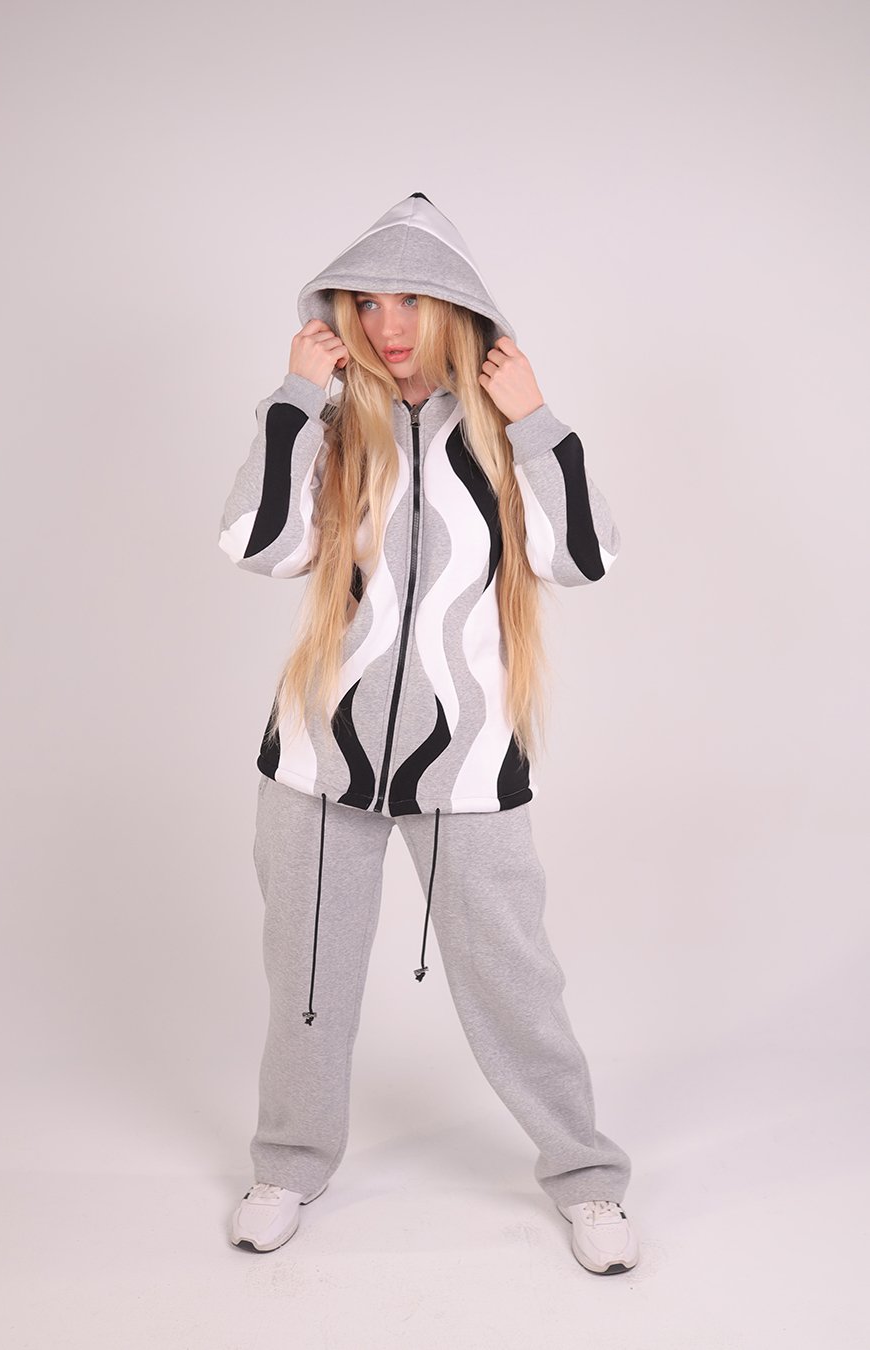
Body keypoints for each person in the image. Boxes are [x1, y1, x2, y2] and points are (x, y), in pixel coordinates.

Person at [218, 191, 639, 1275]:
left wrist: (537, 418)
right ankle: (288, 1165)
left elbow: (585, 557)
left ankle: (587, 1177)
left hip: (471, 766)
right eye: (366, 302)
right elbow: (259, 545)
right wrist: (293, 399)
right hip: (317, 761)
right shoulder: (331, 426)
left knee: (516, 985)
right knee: (307, 981)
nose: (388, 323)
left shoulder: (500, 434)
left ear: (455, 307)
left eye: (410, 298)